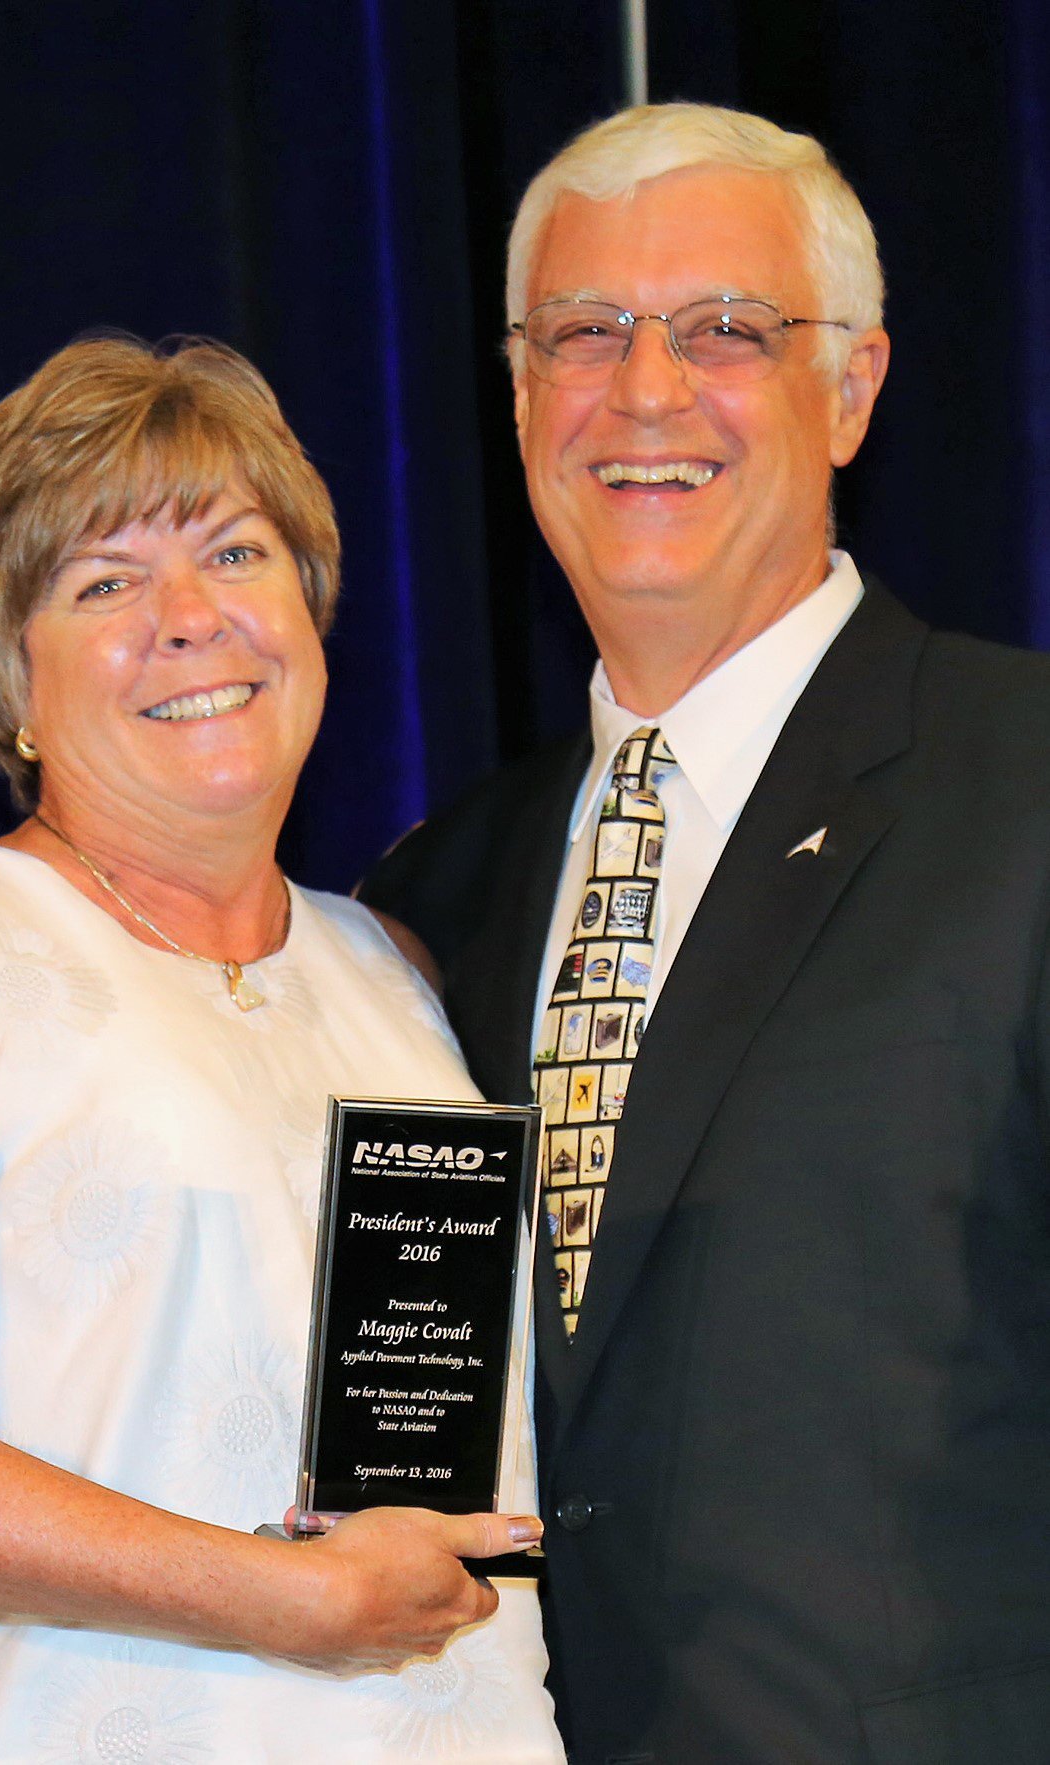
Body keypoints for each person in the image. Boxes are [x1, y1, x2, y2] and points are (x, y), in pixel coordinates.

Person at [0, 335, 563, 1765]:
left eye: (235, 553)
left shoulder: (394, 971)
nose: (190, 617)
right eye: (104, 583)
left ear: (311, 608)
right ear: (11, 688)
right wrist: (276, 1596)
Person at [358, 103, 1050, 1761]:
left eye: (729, 331)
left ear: (856, 386)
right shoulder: (423, 903)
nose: (647, 391)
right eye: (584, 334)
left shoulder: (1023, 778)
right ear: (521, 395)